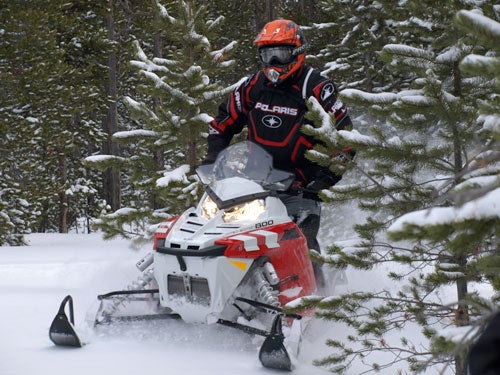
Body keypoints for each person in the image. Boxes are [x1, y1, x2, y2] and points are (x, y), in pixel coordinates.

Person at [203, 19, 354, 288]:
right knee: (219, 232)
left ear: (297, 52)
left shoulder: (317, 88)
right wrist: (213, 159)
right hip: (252, 186)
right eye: (267, 54)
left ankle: (319, 301)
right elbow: (222, 124)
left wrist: (322, 180)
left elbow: (345, 141)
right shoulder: (252, 86)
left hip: (300, 189)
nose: (273, 62)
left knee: (302, 247)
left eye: (281, 54)